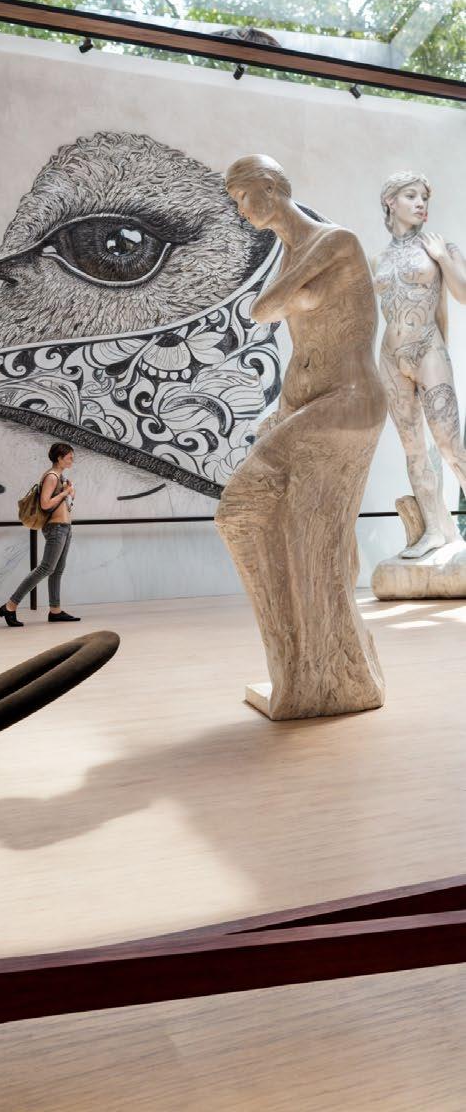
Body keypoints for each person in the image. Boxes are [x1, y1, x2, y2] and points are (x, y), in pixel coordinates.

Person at [215, 154, 386, 719]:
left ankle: (329, 674)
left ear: (270, 187)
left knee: (245, 510)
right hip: (315, 405)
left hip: (349, 404)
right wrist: (283, 410)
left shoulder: (335, 242)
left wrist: (294, 297)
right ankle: (306, 668)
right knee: (304, 536)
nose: (242, 210)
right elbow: (304, 343)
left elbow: (263, 307)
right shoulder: (294, 256)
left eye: (243, 196)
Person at [373, 171, 466, 558]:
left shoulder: (439, 245)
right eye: (411, 196)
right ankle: (434, 530)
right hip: (391, 357)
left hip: (428, 348)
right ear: (390, 201)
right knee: (413, 449)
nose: (420, 203)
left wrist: (442, 257)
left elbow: (464, 294)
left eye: (424, 197)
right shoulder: (378, 258)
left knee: (450, 445)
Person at [0, 443, 80, 626]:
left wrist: (70, 493)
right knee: (46, 568)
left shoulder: (60, 477)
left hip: (65, 527)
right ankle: (10, 606)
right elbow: (45, 504)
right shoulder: (51, 476)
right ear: (59, 458)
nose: (72, 460)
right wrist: (65, 493)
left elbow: (62, 503)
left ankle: (55, 611)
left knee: (57, 570)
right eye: (69, 457)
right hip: (56, 528)